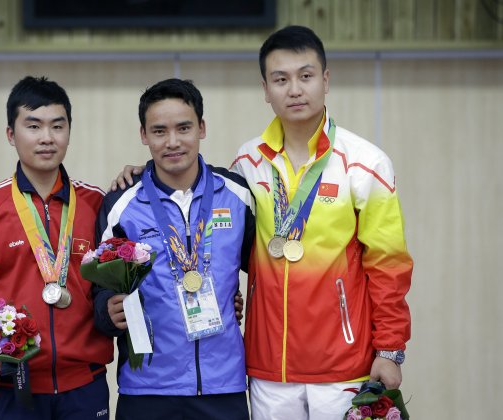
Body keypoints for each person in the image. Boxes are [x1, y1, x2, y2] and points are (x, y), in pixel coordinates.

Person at [113, 25, 413, 420]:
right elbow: (212, 218)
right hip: (268, 368)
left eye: (305, 76)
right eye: (281, 79)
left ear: (325, 81)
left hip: (344, 367)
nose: (294, 89)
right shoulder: (248, 164)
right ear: (265, 89)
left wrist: (389, 351)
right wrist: (147, 174)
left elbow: (388, 266)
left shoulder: (365, 163)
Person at [0, 76, 114, 419]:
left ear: (69, 132)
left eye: (57, 126)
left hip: (85, 386)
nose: (47, 137)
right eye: (33, 126)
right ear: (10, 134)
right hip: (12, 386)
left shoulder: (97, 204)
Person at [93, 78, 255, 420]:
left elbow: (267, 272)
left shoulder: (239, 195)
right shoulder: (121, 204)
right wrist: (108, 312)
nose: (172, 142)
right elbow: (98, 291)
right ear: (143, 135)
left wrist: (237, 301)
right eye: (159, 131)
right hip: (147, 388)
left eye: (184, 128)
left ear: (202, 128)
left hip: (223, 387)